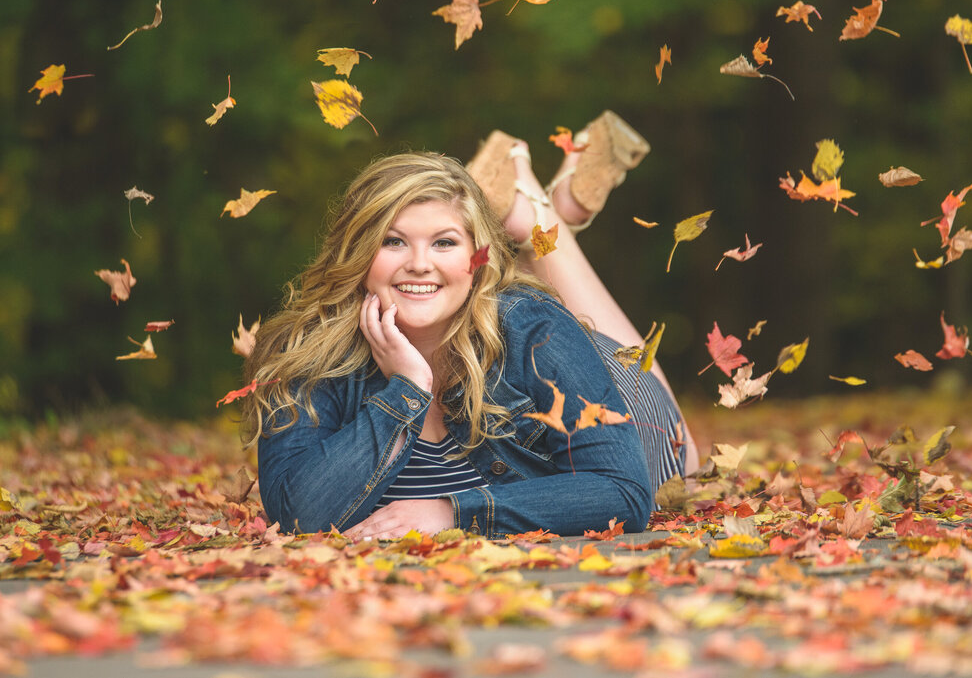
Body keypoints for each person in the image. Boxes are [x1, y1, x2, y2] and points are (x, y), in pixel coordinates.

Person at [242, 110, 699, 539]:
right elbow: (299, 512)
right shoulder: (307, 349)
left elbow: (624, 492)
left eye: (444, 242)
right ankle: (542, 210)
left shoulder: (534, 330)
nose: (419, 264)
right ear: (358, 253)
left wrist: (451, 511)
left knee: (686, 462)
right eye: (394, 241)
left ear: (475, 259)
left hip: (630, 418)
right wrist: (406, 391)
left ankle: (538, 217)